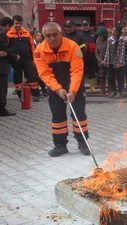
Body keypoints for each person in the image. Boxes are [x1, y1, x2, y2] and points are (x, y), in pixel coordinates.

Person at [34, 22, 90, 157]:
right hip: (55, 87)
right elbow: (44, 74)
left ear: (61, 34)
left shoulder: (73, 47)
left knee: (79, 115)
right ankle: (60, 145)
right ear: (43, 36)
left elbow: (77, 71)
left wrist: (73, 91)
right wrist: (58, 89)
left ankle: (83, 143)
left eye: (55, 35)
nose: (52, 38)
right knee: (58, 116)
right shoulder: (39, 51)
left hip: (74, 85)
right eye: (48, 36)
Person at [7, 15, 40, 102]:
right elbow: (7, 48)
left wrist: (34, 59)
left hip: (27, 58)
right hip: (15, 59)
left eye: (20, 24)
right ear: (13, 23)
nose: (18, 25)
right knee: (17, 77)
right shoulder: (8, 34)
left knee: (32, 76)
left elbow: (32, 47)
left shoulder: (26, 33)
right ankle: (20, 95)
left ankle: (36, 94)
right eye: (16, 23)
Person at [0, 17, 20, 117]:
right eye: (10, 26)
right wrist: (15, 56)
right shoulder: (1, 34)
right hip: (1, 67)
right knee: (2, 89)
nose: (10, 29)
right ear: (8, 25)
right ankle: (2, 110)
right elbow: (6, 49)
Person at [103, 24, 126, 99]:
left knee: (119, 77)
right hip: (110, 61)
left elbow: (122, 52)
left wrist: (119, 62)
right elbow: (107, 50)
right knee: (111, 77)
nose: (113, 32)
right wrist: (106, 60)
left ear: (118, 32)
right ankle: (113, 91)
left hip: (118, 62)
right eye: (113, 30)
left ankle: (120, 92)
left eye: (115, 31)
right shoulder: (110, 39)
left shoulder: (121, 39)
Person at [81, 20, 98, 92]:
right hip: (82, 56)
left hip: (92, 56)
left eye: (87, 25)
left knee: (92, 71)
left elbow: (98, 43)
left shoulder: (94, 34)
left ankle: (92, 87)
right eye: (84, 25)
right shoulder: (79, 35)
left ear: (89, 26)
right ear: (81, 27)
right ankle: (81, 87)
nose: (85, 27)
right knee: (81, 72)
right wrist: (84, 46)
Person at [95, 27, 108, 94]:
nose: (100, 37)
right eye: (99, 36)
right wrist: (100, 60)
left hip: (108, 60)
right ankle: (102, 89)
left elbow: (109, 52)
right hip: (101, 61)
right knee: (101, 76)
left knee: (109, 76)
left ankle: (110, 89)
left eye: (101, 36)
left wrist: (105, 60)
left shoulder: (108, 41)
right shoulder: (97, 41)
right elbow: (96, 52)